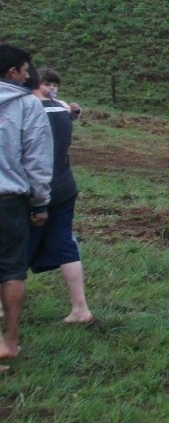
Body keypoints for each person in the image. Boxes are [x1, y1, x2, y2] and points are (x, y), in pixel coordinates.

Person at [27, 68, 93, 324]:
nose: (51, 88)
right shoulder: (62, 109)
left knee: (14, 246)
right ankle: (80, 308)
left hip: (36, 190)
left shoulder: (30, 111)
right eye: (47, 83)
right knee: (66, 243)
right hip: (65, 185)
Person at [0, 44, 53, 362]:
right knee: (12, 270)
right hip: (9, 200)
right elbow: (36, 159)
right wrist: (40, 203)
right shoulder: (29, 107)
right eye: (25, 68)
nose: (29, 72)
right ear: (13, 73)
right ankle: (10, 341)